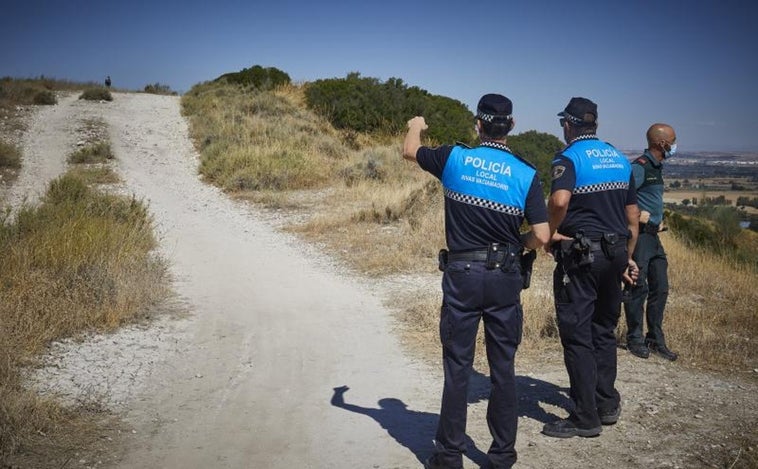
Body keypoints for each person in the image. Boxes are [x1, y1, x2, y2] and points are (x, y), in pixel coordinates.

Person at [403, 93, 550, 469]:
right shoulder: (525, 173)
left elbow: (410, 151)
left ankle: (449, 455)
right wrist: (520, 245)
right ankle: (501, 457)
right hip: (505, 277)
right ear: (511, 126)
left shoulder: (454, 158)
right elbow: (543, 235)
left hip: (462, 277)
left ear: (477, 124)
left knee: (457, 368)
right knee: (503, 369)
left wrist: (416, 125)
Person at [542, 97, 639, 439]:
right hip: (615, 251)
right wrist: (628, 257)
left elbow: (559, 200)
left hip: (581, 255)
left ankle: (585, 417)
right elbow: (632, 218)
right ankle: (606, 403)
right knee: (603, 330)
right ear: (594, 125)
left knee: (577, 334)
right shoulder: (617, 157)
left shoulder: (568, 158)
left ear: (568, 125)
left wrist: (550, 232)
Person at [623, 124, 679, 361]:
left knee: (661, 287)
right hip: (641, 236)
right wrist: (638, 216)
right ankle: (634, 338)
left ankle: (655, 339)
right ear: (661, 143)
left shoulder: (657, 168)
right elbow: (622, 196)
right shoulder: (640, 167)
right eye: (673, 140)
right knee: (638, 287)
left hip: (654, 236)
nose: (675, 145)